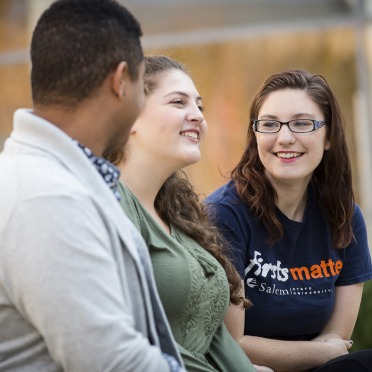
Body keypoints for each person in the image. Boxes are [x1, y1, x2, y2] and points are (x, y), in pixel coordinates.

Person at [0, 1, 184, 371]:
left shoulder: (51, 178)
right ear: (119, 81)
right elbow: (112, 361)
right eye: (140, 86)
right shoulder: (49, 199)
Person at [206, 69, 372, 371]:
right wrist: (319, 353)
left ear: (328, 137)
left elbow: (336, 337)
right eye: (269, 124)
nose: (284, 138)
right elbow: (232, 345)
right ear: (255, 134)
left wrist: (325, 353)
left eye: (302, 124)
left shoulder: (345, 217)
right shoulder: (225, 215)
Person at [109, 55, 259, 371]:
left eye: (199, 106)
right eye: (179, 103)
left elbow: (216, 339)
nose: (197, 116)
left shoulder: (180, 217)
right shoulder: (110, 204)